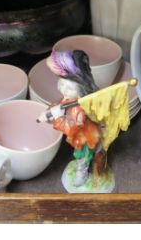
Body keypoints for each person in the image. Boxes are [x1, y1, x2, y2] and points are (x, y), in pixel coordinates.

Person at [45, 50, 106, 187]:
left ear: (81, 89)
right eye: (62, 84)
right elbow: (60, 106)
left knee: (83, 156)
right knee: (93, 150)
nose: (63, 90)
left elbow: (74, 126)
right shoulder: (69, 99)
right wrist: (52, 111)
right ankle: (97, 154)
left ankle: (82, 174)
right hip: (81, 135)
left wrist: (58, 119)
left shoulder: (81, 108)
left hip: (84, 136)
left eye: (69, 88)